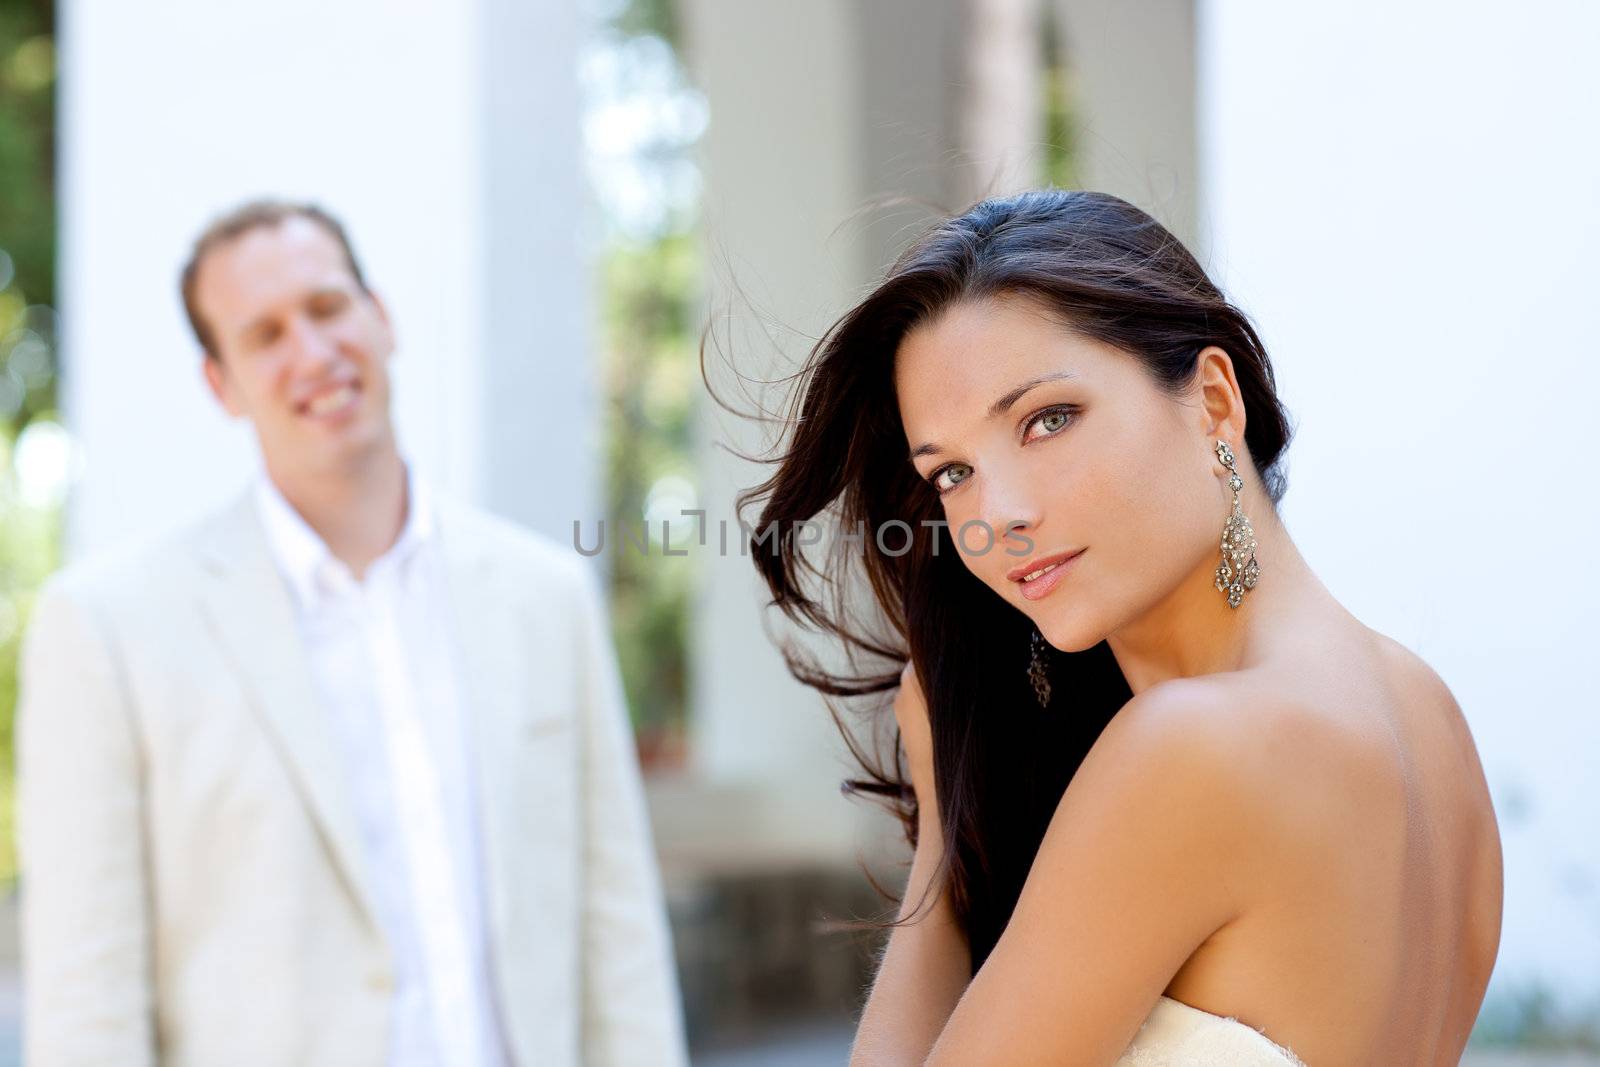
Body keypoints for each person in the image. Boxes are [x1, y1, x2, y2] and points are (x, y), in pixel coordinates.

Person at [740, 189, 1502, 1064]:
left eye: (1047, 421)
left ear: (1214, 400)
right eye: (951, 474)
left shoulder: (1190, 749)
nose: (1000, 515)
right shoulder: (1426, 710)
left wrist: (944, 840)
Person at [16, 199, 688, 1067]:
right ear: (221, 384)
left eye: (328, 307)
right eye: (264, 334)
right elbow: (87, 1000)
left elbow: (616, 928)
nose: (312, 351)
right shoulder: (108, 627)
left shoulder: (546, 596)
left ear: (381, 317)